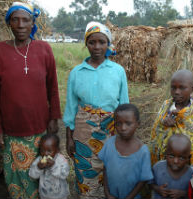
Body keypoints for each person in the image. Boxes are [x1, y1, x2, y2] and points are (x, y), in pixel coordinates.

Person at [0, 2, 61, 198]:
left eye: (25, 20)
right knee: (17, 181)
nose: (20, 25)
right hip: (11, 132)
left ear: (32, 23)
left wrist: (54, 117)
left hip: (40, 130)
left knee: (42, 177)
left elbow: (52, 87)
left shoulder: (44, 49)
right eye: (15, 20)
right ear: (9, 23)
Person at [63, 21, 129, 198]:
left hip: (112, 130)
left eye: (102, 42)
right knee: (86, 173)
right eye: (92, 42)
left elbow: (124, 106)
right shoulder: (76, 73)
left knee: (111, 172)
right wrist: (69, 138)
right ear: (86, 44)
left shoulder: (118, 71)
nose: (97, 46)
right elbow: (70, 109)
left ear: (108, 44)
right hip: (83, 132)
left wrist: (125, 138)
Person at [150, 69, 193, 171]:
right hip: (164, 161)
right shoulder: (166, 105)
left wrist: (181, 117)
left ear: (192, 88)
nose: (177, 92)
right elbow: (156, 131)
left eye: (182, 88)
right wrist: (164, 123)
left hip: (185, 165)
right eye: (173, 88)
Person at [98, 104, 153, 199]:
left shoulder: (143, 151)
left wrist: (129, 197)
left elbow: (143, 181)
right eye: (118, 124)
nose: (123, 128)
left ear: (138, 124)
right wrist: (107, 193)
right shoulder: (109, 144)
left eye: (128, 123)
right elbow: (106, 168)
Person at [149, 134, 193, 199]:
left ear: (188, 158)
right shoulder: (158, 168)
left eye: (181, 158)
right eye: (171, 156)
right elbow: (150, 183)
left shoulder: (192, 174)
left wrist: (183, 193)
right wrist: (157, 189)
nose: (175, 161)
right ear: (165, 153)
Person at [29, 134, 70, 199]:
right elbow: (32, 175)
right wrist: (38, 168)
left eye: (49, 151)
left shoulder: (61, 160)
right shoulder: (39, 160)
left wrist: (54, 166)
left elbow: (65, 174)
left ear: (57, 150)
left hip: (60, 194)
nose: (45, 153)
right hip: (45, 194)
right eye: (42, 150)